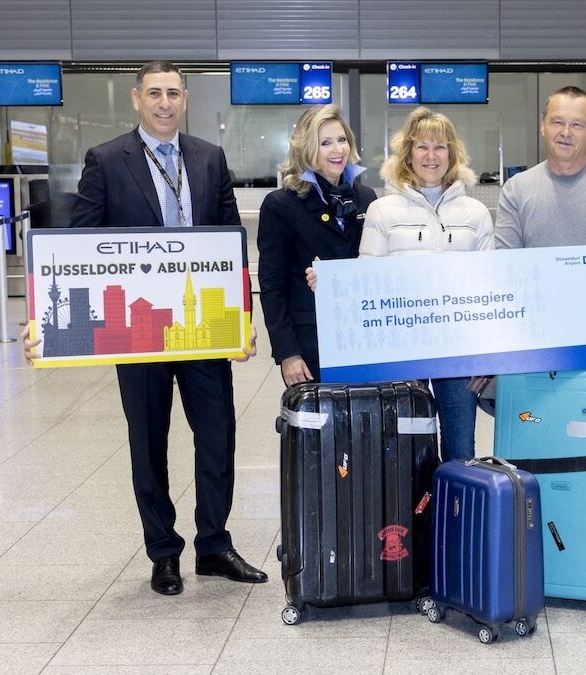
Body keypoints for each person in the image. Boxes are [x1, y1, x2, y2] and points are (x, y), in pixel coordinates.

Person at [41, 61, 266, 595]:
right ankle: (163, 552)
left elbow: (231, 242)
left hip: (202, 325)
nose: (165, 103)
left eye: (174, 94)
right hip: (138, 330)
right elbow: (82, 245)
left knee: (218, 436)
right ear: (137, 99)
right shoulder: (107, 160)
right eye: (155, 94)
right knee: (149, 440)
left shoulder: (209, 159)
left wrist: (240, 322)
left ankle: (214, 544)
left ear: (185, 99)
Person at [357, 107, 493, 460]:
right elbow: (367, 284)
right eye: (421, 147)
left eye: (440, 147)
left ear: (452, 154)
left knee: (460, 451)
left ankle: (455, 515)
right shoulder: (383, 211)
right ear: (407, 154)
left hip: (459, 356)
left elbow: (490, 289)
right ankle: (408, 518)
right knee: (405, 453)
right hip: (402, 353)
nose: (431, 156)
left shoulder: (475, 214)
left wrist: (485, 358)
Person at [496, 85, 586, 322]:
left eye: (577, 125)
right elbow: (505, 262)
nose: (566, 132)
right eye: (557, 122)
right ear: (543, 126)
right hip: (535, 322)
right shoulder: (516, 189)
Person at [257, 105, 376, 385]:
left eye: (342, 140)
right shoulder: (282, 204)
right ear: (307, 150)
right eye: (325, 143)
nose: (337, 150)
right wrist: (288, 353)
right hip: (310, 345)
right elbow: (273, 287)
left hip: (364, 338)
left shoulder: (366, 198)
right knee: (319, 426)